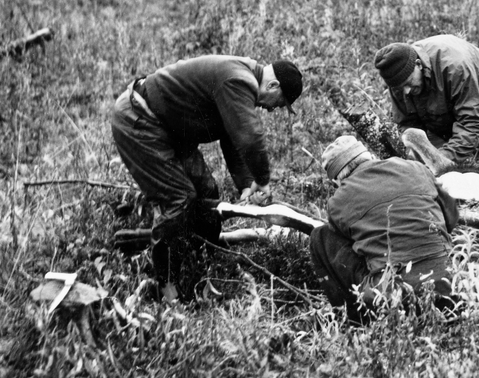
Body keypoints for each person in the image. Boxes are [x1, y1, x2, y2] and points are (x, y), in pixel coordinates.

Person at [110, 54, 302, 298]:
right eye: (280, 102)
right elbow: (250, 138)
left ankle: (200, 265)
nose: (273, 109)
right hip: (140, 119)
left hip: (170, 129)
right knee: (179, 200)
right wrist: (262, 180)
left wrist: (245, 185)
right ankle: (167, 285)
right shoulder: (237, 80)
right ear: (273, 85)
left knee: (208, 192)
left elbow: (232, 136)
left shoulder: (242, 82)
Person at [309, 135, 459, 324]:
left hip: (395, 298)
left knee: (320, 236)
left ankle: (354, 319)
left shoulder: (338, 202)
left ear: (338, 180)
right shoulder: (415, 168)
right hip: (451, 283)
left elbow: (350, 249)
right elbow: (452, 216)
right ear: (369, 156)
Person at [375, 34, 479, 204]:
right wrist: (420, 156)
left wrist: (441, 159)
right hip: (442, 114)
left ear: (418, 65)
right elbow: (408, 124)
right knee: (430, 172)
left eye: (409, 83)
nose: (407, 91)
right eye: (400, 88)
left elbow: (472, 122)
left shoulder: (454, 66)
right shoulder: (399, 81)